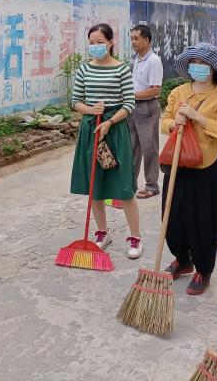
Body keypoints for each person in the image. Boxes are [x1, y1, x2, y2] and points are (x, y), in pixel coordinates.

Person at [161, 43, 217, 295]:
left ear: (213, 68)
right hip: (178, 162)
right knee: (172, 216)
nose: (198, 68)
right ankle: (182, 260)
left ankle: (204, 269)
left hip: (206, 168)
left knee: (203, 220)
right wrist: (174, 123)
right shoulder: (178, 92)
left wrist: (197, 116)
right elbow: (165, 121)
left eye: (203, 64)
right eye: (194, 63)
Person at [70, 23, 142, 258]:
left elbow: (129, 103)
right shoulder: (83, 69)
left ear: (111, 43)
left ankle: (135, 237)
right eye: (92, 42)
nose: (96, 46)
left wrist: (110, 122)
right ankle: (103, 232)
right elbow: (75, 101)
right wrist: (91, 110)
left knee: (124, 187)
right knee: (95, 186)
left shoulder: (121, 69)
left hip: (115, 130)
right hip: (91, 129)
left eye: (100, 42)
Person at [128, 25, 164, 199]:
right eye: (132, 38)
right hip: (134, 107)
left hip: (147, 107)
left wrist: (131, 95)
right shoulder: (138, 59)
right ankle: (130, 184)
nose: (133, 42)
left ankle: (152, 186)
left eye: (136, 38)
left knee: (149, 148)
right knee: (132, 147)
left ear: (147, 40)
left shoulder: (153, 61)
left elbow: (155, 90)